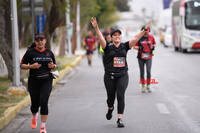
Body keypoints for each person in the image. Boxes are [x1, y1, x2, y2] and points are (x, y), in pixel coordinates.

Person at [91, 17, 150, 128]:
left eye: (119, 35)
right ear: (112, 38)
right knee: (110, 98)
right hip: (109, 76)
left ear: (120, 37)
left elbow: (136, 38)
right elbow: (100, 37)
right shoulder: (107, 47)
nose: (117, 36)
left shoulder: (125, 46)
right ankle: (110, 109)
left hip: (123, 75)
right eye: (115, 35)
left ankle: (119, 119)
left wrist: (144, 31)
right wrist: (96, 27)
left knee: (120, 95)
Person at [21, 33, 56, 133]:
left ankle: (43, 126)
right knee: (34, 104)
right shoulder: (30, 52)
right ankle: (34, 115)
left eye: (42, 39)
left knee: (44, 101)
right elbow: (22, 65)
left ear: (45, 41)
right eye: (37, 40)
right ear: (35, 42)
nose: (40, 41)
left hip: (47, 80)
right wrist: (30, 67)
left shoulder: (49, 52)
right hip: (34, 81)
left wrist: (52, 66)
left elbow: (54, 65)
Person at [133, 26, 156, 93]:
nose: (146, 32)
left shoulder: (151, 37)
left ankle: (148, 85)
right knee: (142, 72)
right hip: (141, 57)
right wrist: (139, 48)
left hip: (149, 56)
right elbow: (134, 46)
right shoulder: (139, 38)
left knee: (148, 71)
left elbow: (154, 44)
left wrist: (153, 47)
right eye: (144, 31)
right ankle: (143, 86)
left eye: (147, 31)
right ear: (142, 31)